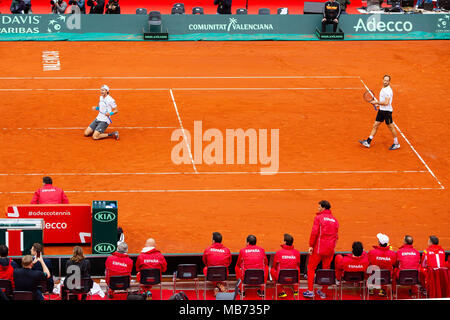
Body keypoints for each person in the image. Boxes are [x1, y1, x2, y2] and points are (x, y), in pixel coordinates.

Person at [303, 200, 339, 299]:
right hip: (330, 250)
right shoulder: (335, 220)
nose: (318, 209)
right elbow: (336, 236)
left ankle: (310, 291)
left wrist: (311, 245)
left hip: (319, 249)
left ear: (323, 208)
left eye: (319, 207)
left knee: (311, 268)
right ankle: (323, 291)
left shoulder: (318, 218)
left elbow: (314, 233)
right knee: (326, 270)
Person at [359, 75, 400, 150]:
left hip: (387, 112)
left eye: (387, 81)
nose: (385, 82)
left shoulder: (388, 91)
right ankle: (368, 141)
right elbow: (383, 101)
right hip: (381, 110)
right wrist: (378, 104)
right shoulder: (383, 88)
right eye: (385, 80)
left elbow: (386, 103)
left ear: (389, 82)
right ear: (383, 80)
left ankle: (396, 143)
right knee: (375, 125)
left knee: (391, 127)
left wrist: (377, 102)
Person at [270, 233, 301, 299]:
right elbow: (298, 264)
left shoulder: (279, 253)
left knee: (272, 270)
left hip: (281, 278)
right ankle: (295, 289)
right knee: (297, 269)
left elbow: (274, 266)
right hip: (293, 278)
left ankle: (281, 291)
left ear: (285, 242)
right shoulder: (297, 253)